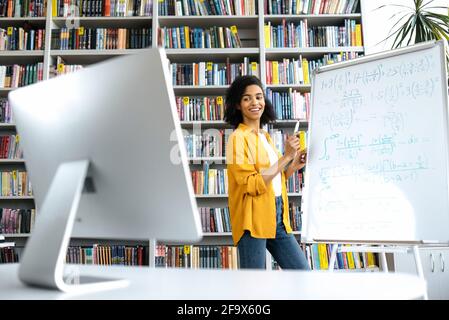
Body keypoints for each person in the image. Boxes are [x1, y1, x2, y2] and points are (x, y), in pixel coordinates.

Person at [224, 75, 310, 270]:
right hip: (252, 220)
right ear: (238, 105)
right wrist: (286, 157)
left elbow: (273, 182)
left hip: (277, 217)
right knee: (255, 286)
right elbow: (252, 185)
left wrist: (293, 165)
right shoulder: (237, 139)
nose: (255, 102)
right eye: (247, 98)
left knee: (302, 273)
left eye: (259, 97)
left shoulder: (265, 136)